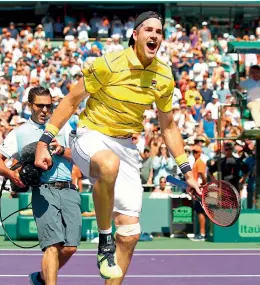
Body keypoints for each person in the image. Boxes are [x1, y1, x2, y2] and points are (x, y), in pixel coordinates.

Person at [34, 11, 201, 283]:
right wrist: (44, 140)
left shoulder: (164, 76)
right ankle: (104, 241)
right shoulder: (109, 64)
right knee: (108, 164)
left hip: (126, 145)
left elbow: (168, 127)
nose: (155, 35)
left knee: (131, 233)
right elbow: (71, 101)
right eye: (148, 30)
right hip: (91, 136)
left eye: (159, 32)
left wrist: (188, 172)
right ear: (135, 35)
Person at [0, 87, 81, 285]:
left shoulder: (64, 127)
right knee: (53, 245)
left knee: (71, 247)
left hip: (69, 189)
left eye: (49, 106)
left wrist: (61, 149)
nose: (45, 110)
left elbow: (81, 156)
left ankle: (39, 278)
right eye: (40, 105)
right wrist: (11, 174)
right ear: (29, 105)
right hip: (43, 191)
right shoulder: (19, 133)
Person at [190, 145, 207, 241]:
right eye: (193, 152)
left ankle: (202, 234)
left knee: (201, 212)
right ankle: (202, 233)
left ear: (200, 153)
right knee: (199, 211)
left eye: (196, 152)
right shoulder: (196, 162)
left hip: (200, 190)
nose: (194, 154)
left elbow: (202, 175)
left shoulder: (200, 162)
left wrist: (203, 185)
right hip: (197, 189)